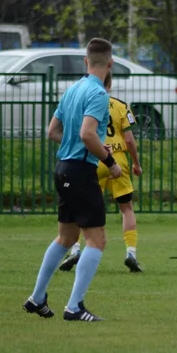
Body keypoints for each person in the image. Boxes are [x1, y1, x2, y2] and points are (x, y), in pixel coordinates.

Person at [22, 37, 120, 322]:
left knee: (66, 237)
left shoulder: (73, 89)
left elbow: (52, 130)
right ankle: (74, 307)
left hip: (63, 167)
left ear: (85, 62)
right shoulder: (99, 94)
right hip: (79, 170)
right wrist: (110, 161)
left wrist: (78, 147)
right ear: (110, 63)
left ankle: (37, 298)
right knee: (97, 239)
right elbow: (88, 134)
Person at [59, 69, 144, 274]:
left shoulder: (87, 103)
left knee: (81, 207)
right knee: (127, 209)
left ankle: (76, 249)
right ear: (110, 84)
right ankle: (131, 253)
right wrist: (136, 164)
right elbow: (130, 140)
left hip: (94, 159)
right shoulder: (121, 106)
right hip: (119, 161)